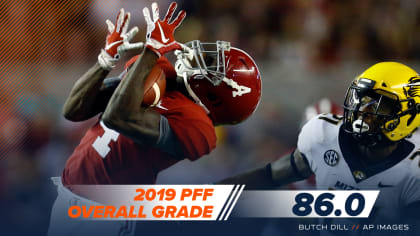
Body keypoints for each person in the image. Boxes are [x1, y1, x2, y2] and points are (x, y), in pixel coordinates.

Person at [48, 2, 261, 236]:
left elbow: (117, 117)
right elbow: (73, 110)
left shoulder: (198, 127)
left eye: (210, 63)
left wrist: (151, 51)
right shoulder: (161, 72)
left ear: (217, 96)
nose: (200, 55)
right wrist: (106, 59)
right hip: (66, 196)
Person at [218, 62, 420, 235]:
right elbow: (270, 176)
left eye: (380, 107)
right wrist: (208, 195)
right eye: (362, 101)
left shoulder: (413, 172)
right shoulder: (326, 136)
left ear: (409, 115)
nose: (362, 113)